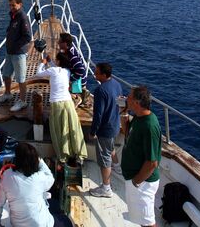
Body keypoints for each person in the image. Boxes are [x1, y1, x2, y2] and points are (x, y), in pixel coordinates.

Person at [25, 52, 87, 163]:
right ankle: (79, 154)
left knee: (59, 129)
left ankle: (63, 156)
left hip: (57, 103)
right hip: (68, 102)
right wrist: (50, 62)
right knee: (73, 127)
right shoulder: (66, 71)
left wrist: (42, 63)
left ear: (58, 61)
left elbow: (39, 73)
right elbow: (57, 69)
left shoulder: (53, 71)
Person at [121, 85, 162, 227]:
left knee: (148, 221)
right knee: (141, 219)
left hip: (142, 182)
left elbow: (152, 163)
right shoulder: (138, 118)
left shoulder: (149, 126)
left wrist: (136, 182)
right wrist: (124, 114)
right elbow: (129, 135)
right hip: (135, 179)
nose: (127, 98)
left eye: (129, 97)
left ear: (137, 103)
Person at [0, 142, 55, 227]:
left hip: (17, 225)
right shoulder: (39, 177)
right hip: (43, 224)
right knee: (60, 212)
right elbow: (50, 178)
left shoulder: (7, 176)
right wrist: (40, 160)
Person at [88, 63, 123, 198]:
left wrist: (93, 131)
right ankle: (118, 167)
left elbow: (98, 115)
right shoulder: (116, 84)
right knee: (111, 147)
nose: (94, 75)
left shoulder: (100, 90)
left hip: (105, 129)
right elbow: (121, 103)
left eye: (97, 73)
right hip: (115, 125)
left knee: (104, 158)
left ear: (104, 75)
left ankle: (106, 188)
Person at [1, 0, 32, 112]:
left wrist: (16, 46)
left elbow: (28, 37)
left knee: (21, 78)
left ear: (20, 4)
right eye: (10, 5)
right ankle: (7, 93)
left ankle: (22, 101)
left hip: (18, 53)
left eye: (13, 5)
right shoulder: (13, 16)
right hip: (10, 52)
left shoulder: (22, 17)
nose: (11, 7)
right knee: (6, 74)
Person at [58, 32, 89, 107]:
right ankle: (82, 94)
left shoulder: (73, 56)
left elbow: (80, 70)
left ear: (65, 44)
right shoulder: (70, 50)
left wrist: (71, 80)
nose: (58, 43)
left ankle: (77, 97)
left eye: (60, 42)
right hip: (78, 78)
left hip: (78, 81)